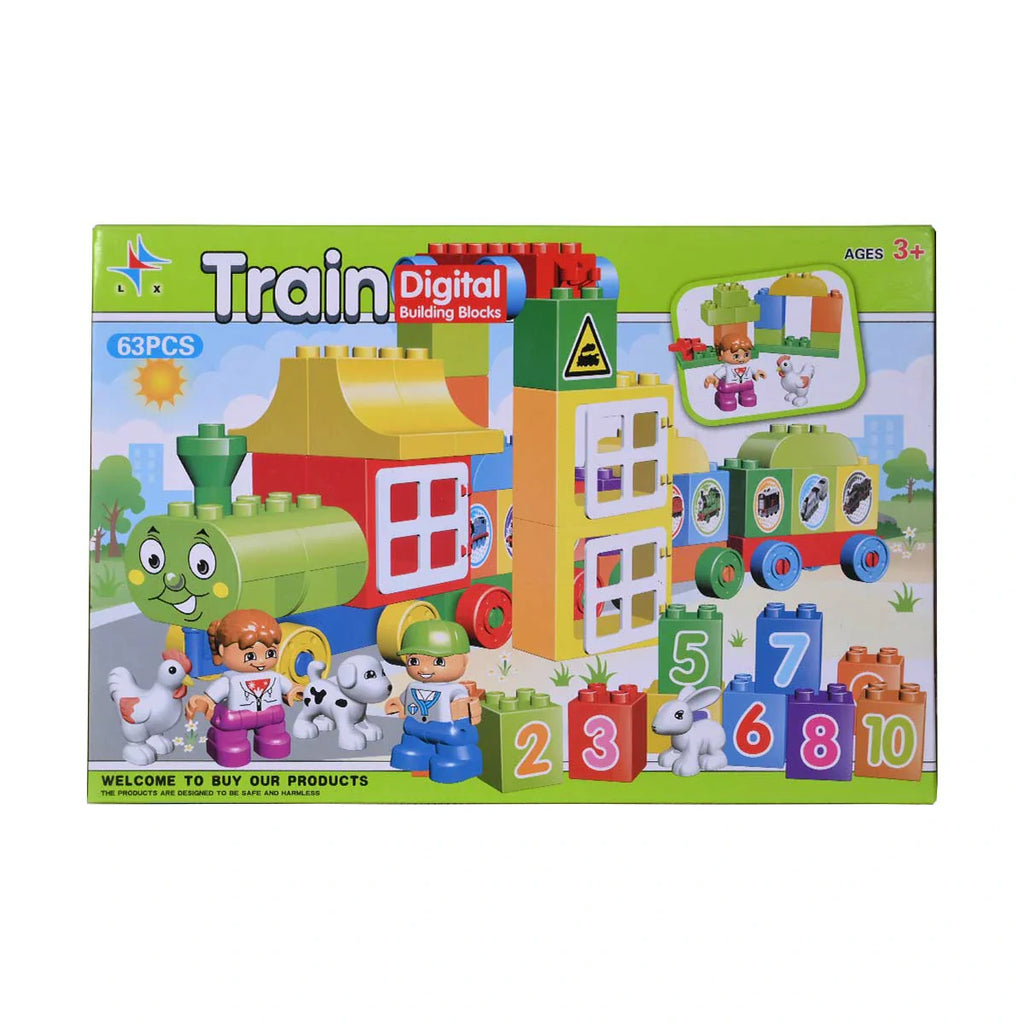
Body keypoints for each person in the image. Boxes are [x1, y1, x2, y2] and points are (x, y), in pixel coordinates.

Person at [185, 609, 303, 768]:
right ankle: (229, 749)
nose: (261, 661)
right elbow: (211, 697)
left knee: (275, 738)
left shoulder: (274, 677)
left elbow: (289, 688)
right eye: (250, 656)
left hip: (271, 716)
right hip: (236, 719)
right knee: (232, 745)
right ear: (222, 650)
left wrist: (294, 690)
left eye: (270, 653)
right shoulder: (229, 681)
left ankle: (271, 743)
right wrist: (205, 702)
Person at [385, 620, 483, 784]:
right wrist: (398, 705)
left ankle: (460, 762)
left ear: (464, 661)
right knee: (410, 747)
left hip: (446, 732)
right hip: (415, 728)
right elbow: (405, 701)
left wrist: (463, 709)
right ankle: (417, 754)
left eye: (438, 661)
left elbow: (465, 709)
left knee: (453, 749)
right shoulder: (413, 687)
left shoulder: (454, 690)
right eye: (414, 661)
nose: (424, 669)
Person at [703, 335, 766, 411]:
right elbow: (717, 376)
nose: (742, 359)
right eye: (736, 356)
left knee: (749, 397)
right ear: (722, 353)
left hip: (746, 385)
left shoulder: (748, 365)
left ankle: (747, 398)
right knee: (727, 400)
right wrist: (714, 379)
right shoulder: (726, 368)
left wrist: (757, 373)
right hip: (730, 386)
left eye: (746, 355)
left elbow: (754, 371)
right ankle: (726, 401)